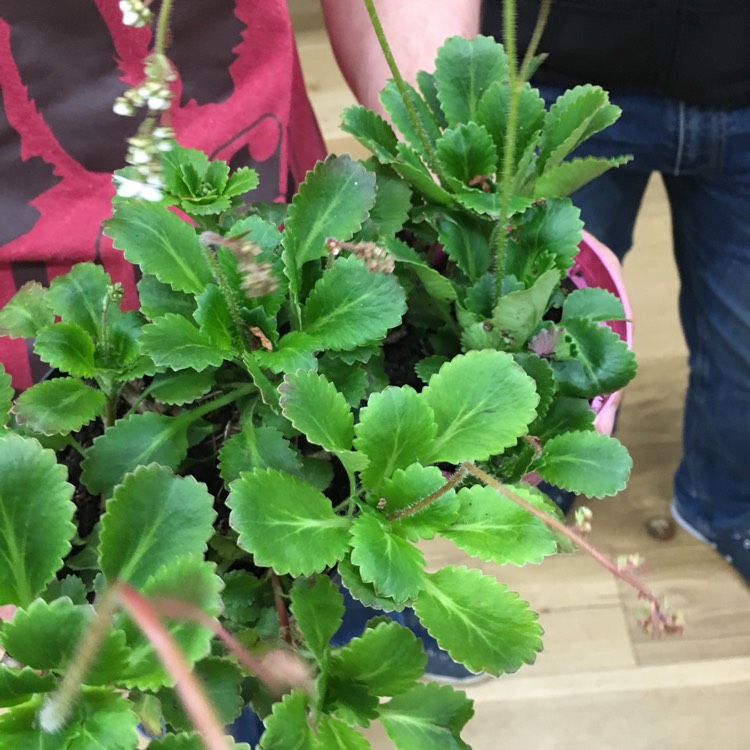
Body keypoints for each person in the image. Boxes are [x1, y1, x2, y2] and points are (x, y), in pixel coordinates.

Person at [482, 0, 750, 583]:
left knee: (745, 342)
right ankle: (549, 470)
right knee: (546, 322)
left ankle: (726, 505)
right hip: (566, 68)